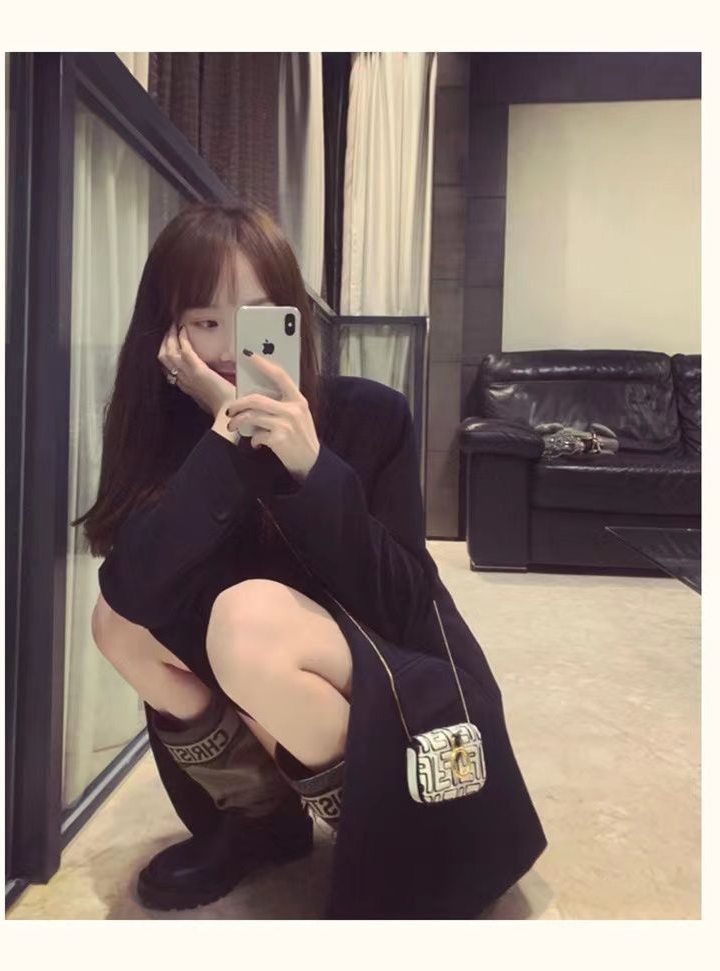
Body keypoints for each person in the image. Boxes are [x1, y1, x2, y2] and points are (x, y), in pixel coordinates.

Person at [76, 200, 548, 919]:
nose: (230, 349)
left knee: (246, 620)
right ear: (167, 335)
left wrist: (310, 465)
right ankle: (260, 821)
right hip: (269, 667)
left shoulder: (372, 415)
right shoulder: (162, 429)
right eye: (205, 322)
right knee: (117, 623)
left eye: (257, 320)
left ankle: (386, 835)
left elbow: (403, 602)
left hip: (397, 678)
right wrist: (228, 436)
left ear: (293, 317)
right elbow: (133, 593)